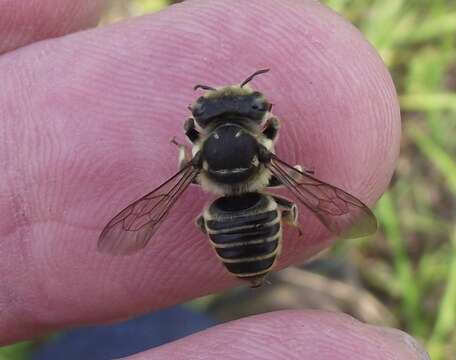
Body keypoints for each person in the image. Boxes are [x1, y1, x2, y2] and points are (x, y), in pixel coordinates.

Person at [0, 0, 429, 358]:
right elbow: (292, 165)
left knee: (151, 310)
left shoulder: (195, 159)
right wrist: (296, 180)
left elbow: (169, 187)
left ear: (198, 132)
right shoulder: (267, 150)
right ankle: (273, 291)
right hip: (254, 217)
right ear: (261, 127)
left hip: (224, 222)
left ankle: (250, 300)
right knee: (291, 203)